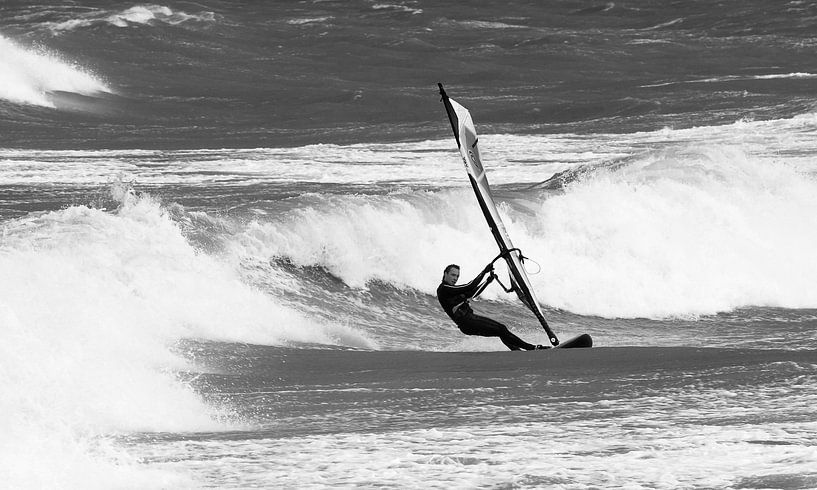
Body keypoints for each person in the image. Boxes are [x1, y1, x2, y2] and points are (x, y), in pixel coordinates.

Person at [436, 263, 547, 351]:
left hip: (467, 324)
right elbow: (470, 286)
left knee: (500, 331)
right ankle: (531, 348)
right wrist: (484, 272)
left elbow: (472, 293)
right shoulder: (444, 289)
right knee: (501, 329)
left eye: (457, 276)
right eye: (453, 275)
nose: (455, 278)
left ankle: (517, 351)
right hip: (467, 321)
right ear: (445, 274)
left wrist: (487, 281)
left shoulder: (452, 290)